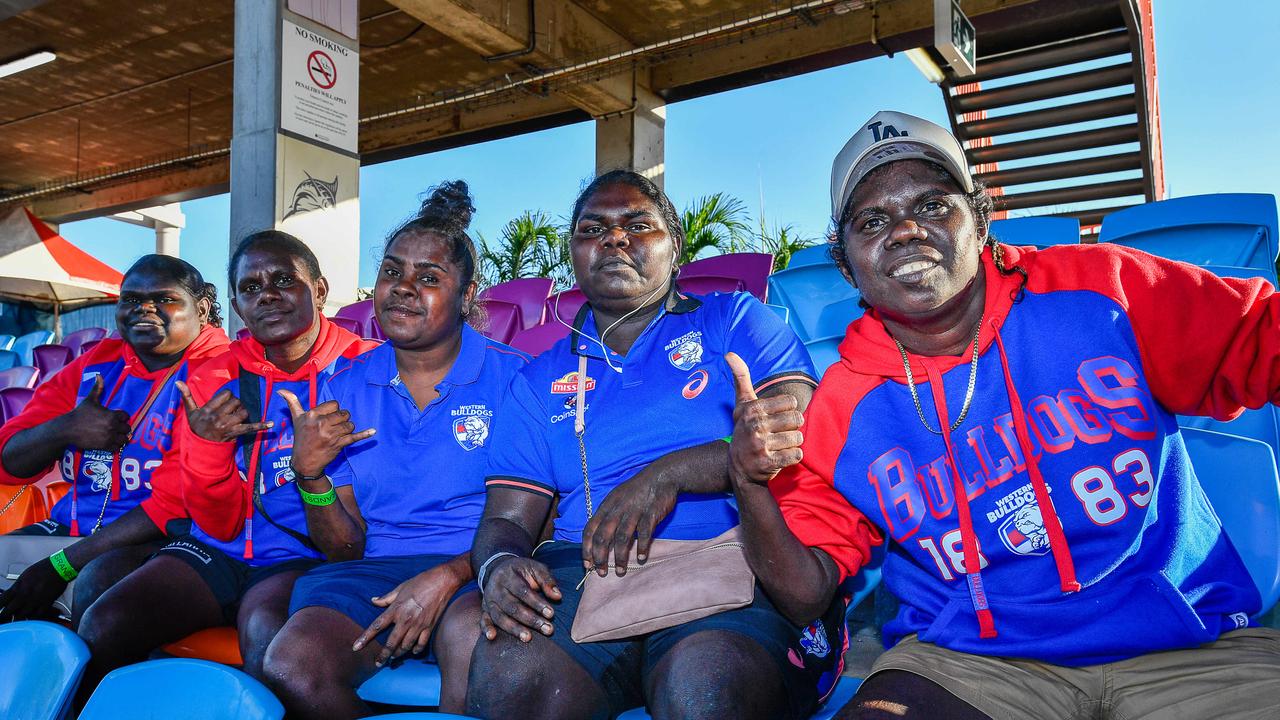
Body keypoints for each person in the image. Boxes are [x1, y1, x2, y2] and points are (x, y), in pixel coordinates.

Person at [730, 110, 1280, 720]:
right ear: (846, 263)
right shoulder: (842, 403)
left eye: (934, 206)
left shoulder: (1102, 292)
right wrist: (751, 485)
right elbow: (804, 593)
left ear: (980, 219)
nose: (906, 231)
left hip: (1188, 645)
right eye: (873, 220)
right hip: (968, 663)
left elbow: (1262, 338)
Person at [467, 170, 846, 720]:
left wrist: (671, 474)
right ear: (573, 252)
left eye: (638, 226)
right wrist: (498, 565)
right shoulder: (536, 381)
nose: (615, 239)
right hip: (589, 571)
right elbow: (507, 519)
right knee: (509, 679)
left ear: (676, 246)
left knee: (703, 689)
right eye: (592, 229)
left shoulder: (736, 320)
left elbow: (790, 431)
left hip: (737, 556)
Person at [262, 182, 529, 718]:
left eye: (428, 278)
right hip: (376, 573)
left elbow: (540, 523)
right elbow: (344, 548)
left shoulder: (515, 378)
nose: (403, 288)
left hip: (481, 567)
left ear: (467, 294)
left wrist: (446, 578)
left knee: (472, 648)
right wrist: (310, 478)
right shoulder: (346, 386)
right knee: (293, 665)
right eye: (392, 272)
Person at [76, 231, 378, 694]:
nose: (268, 295)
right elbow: (217, 524)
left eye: (283, 280)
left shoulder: (366, 368)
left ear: (318, 290)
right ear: (237, 305)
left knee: (264, 638)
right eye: (251, 288)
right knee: (107, 622)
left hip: (305, 556)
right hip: (219, 548)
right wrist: (208, 448)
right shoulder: (217, 372)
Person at [0, 254, 228, 623]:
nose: (145, 309)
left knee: (97, 583)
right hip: (75, 526)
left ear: (201, 309)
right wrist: (66, 428)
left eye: (164, 299)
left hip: (169, 537)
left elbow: (177, 503)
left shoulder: (220, 369)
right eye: (132, 299)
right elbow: (8, 461)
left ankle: (89, 682)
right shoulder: (97, 363)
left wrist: (60, 565)